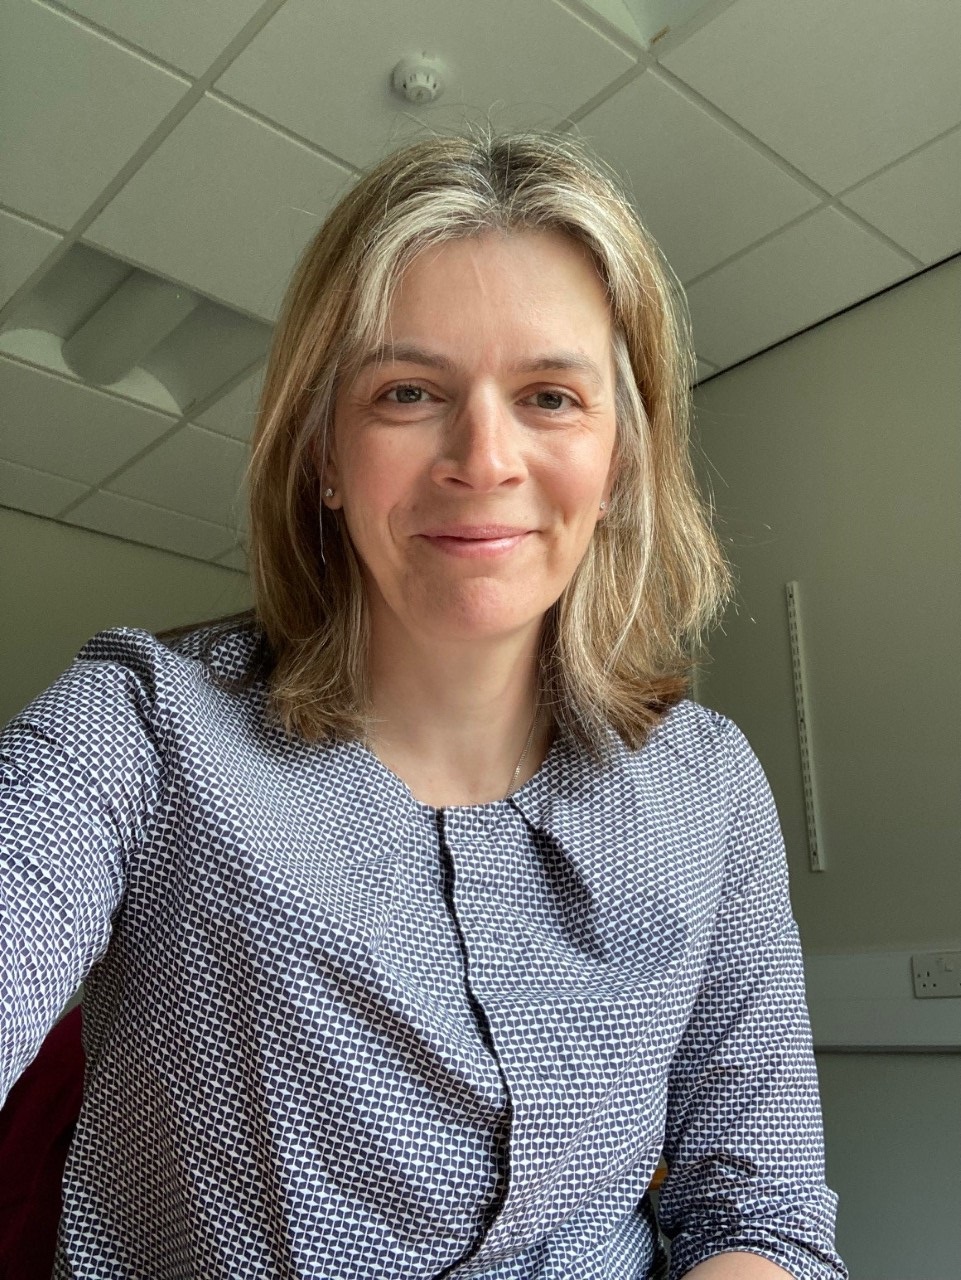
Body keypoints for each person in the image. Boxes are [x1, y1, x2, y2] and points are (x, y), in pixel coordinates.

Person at [0, 131, 846, 1279]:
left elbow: (764, 1208)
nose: (483, 457)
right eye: (408, 392)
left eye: (550, 395)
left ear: (619, 460)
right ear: (324, 451)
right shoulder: (140, 731)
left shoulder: (708, 788)